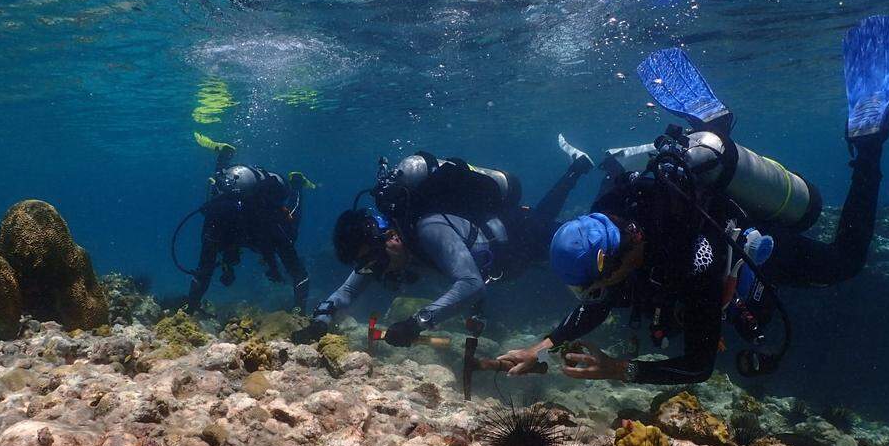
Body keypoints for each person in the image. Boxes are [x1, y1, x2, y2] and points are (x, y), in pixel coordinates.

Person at [498, 15, 889, 385]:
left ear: (617, 257)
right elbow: (600, 301)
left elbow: (697, 365)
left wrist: (619, 369)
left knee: (844, 263)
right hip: (707, 198)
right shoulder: (609, 219)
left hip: (747, 240)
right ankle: (714, 129)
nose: (596, 293)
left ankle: (867, 148)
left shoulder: (697, 259)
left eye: (596, 282)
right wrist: (539, 347)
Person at [293, 143, 595, 346]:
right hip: (506, 256)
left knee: (579, 242)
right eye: (368, 264)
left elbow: (471, 282)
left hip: (518, 239)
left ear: (389, 238)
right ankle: (576, 169)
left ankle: (606, 179)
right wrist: (320, 321)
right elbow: (347, 291)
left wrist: (417, 322)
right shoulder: (383, 249)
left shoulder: (429, 230)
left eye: (375, 261)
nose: (375, 270)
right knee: (546, 214)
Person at [176, 146, 311, 314]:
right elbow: (298, 273)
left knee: (290, 232)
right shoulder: (219, 217)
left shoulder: (223, 218)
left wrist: (191, 306)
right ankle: (296, 184)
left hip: (251, 226)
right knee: (290, 234)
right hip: (250, 227)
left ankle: (295, 185)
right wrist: (300, 311)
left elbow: (204, 270)